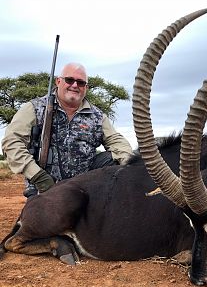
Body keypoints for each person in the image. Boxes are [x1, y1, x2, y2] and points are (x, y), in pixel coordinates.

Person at [1, 63, 133, 197]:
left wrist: (129, 166)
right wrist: (38, 176)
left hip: (84, 190)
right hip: (46, 188)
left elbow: (118, 142)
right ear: (58, 81)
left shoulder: (97, 116)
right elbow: (11, 143)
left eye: (80, 83)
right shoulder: (34, 108)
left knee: (112, 158)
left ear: (86, 88)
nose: (75, 85)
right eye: (69, 80)